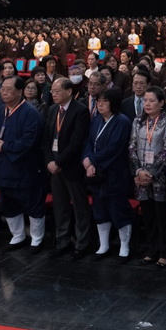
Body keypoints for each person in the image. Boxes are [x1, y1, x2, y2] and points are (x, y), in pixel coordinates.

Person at [0, 76, 46, 253]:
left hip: (24, 167)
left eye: (8, 89)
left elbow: (29, 141)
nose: (3, 92)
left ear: (19, 92)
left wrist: (5, 146)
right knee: (7, 202)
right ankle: (18, 235)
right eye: (2, 89)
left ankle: (37, 239)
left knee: (32, 203)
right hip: (3, 166)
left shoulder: (30, 113)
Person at [82, 88, 134, 262]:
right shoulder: (96, 119)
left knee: (118, 210)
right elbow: (89, 141)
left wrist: (92, 162)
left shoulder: (122, 121)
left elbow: (114, 148)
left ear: (114, 103)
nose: (100, 104)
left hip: (114, 173)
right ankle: (103, 245)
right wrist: (86, 159)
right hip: (96, 172)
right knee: (100, 209)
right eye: (98, 101)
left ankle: (124, 247)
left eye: (104, 101)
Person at [43, 78, 92, 259]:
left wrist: (59, 163)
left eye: (57, 91)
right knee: (60, 206)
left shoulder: (80, 111)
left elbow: (76, 142)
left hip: (70, 167)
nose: (53, 94)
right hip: (53, 166)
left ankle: (81, 244)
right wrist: (49, 161)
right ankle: (62, 241)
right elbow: (46, 139)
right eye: (52, 91)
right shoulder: (52, 110)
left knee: (79, 206)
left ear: (69, 92)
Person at [129, 86, 166, 268]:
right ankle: (152, 249)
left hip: (160, 177)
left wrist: (152, 173)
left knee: (161, 216)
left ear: (161, 103)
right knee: (147, 215)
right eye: (145, 101)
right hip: (140, 176)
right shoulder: (138, 121)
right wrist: (139, 171)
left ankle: (165, 252)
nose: (147, 104)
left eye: (151, 101)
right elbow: (131, 147)